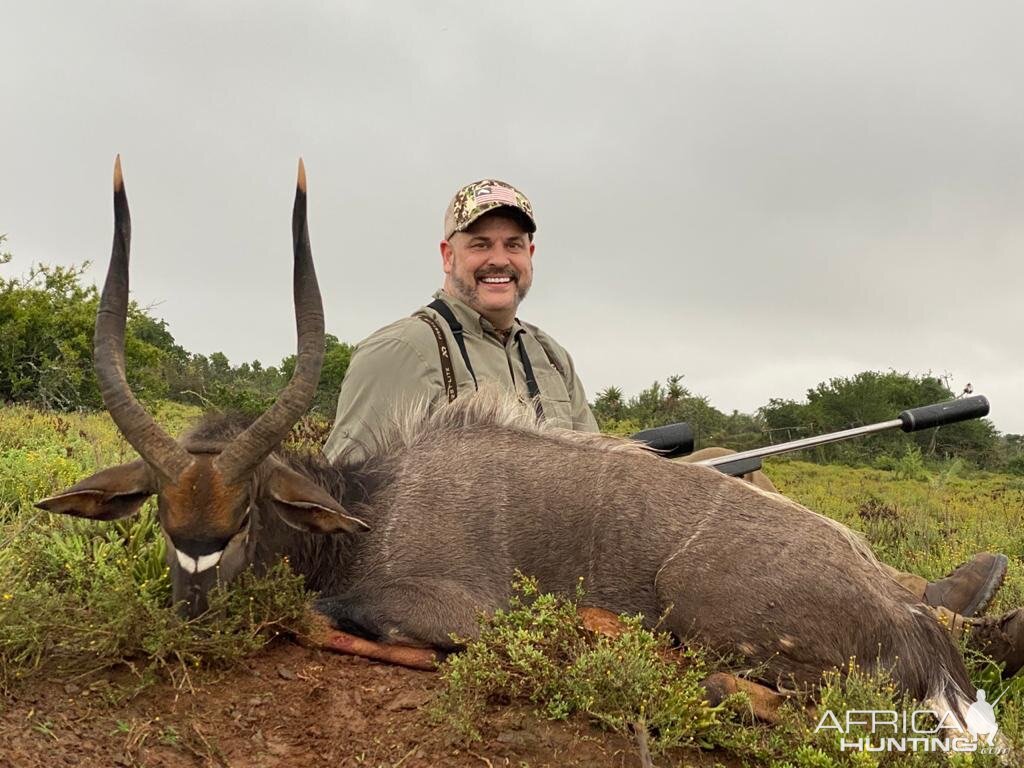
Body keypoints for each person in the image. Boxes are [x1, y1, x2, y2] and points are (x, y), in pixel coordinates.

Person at [324, 178, 1023, 675]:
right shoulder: (402, 349)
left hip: (587, 533)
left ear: (532, 257)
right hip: (500, 566)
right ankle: (941, 629)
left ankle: (910, 598)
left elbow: (592, 461)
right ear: (448, 255)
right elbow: (349, 497)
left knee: (730, 464)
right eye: (479, 243)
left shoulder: (546, 351)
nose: (498, 258)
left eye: (514, 243)